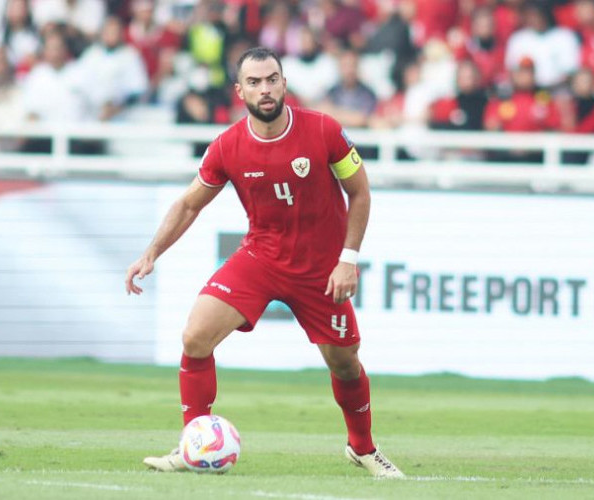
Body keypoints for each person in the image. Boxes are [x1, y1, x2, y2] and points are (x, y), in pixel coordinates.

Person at [125, 46, 404, 479]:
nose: (265, 88)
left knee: (345, 363)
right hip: (261, 257)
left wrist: (347, 260)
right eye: (254, 82)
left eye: (272, 79)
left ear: (285, 83)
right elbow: (188, 205)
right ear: (240, 91)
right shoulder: (227, 146)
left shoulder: (324, 130)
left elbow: (361, 193)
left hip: (320, 268)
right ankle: (194, 444)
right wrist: (151, 253)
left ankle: (363, 448)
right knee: (196, 336)